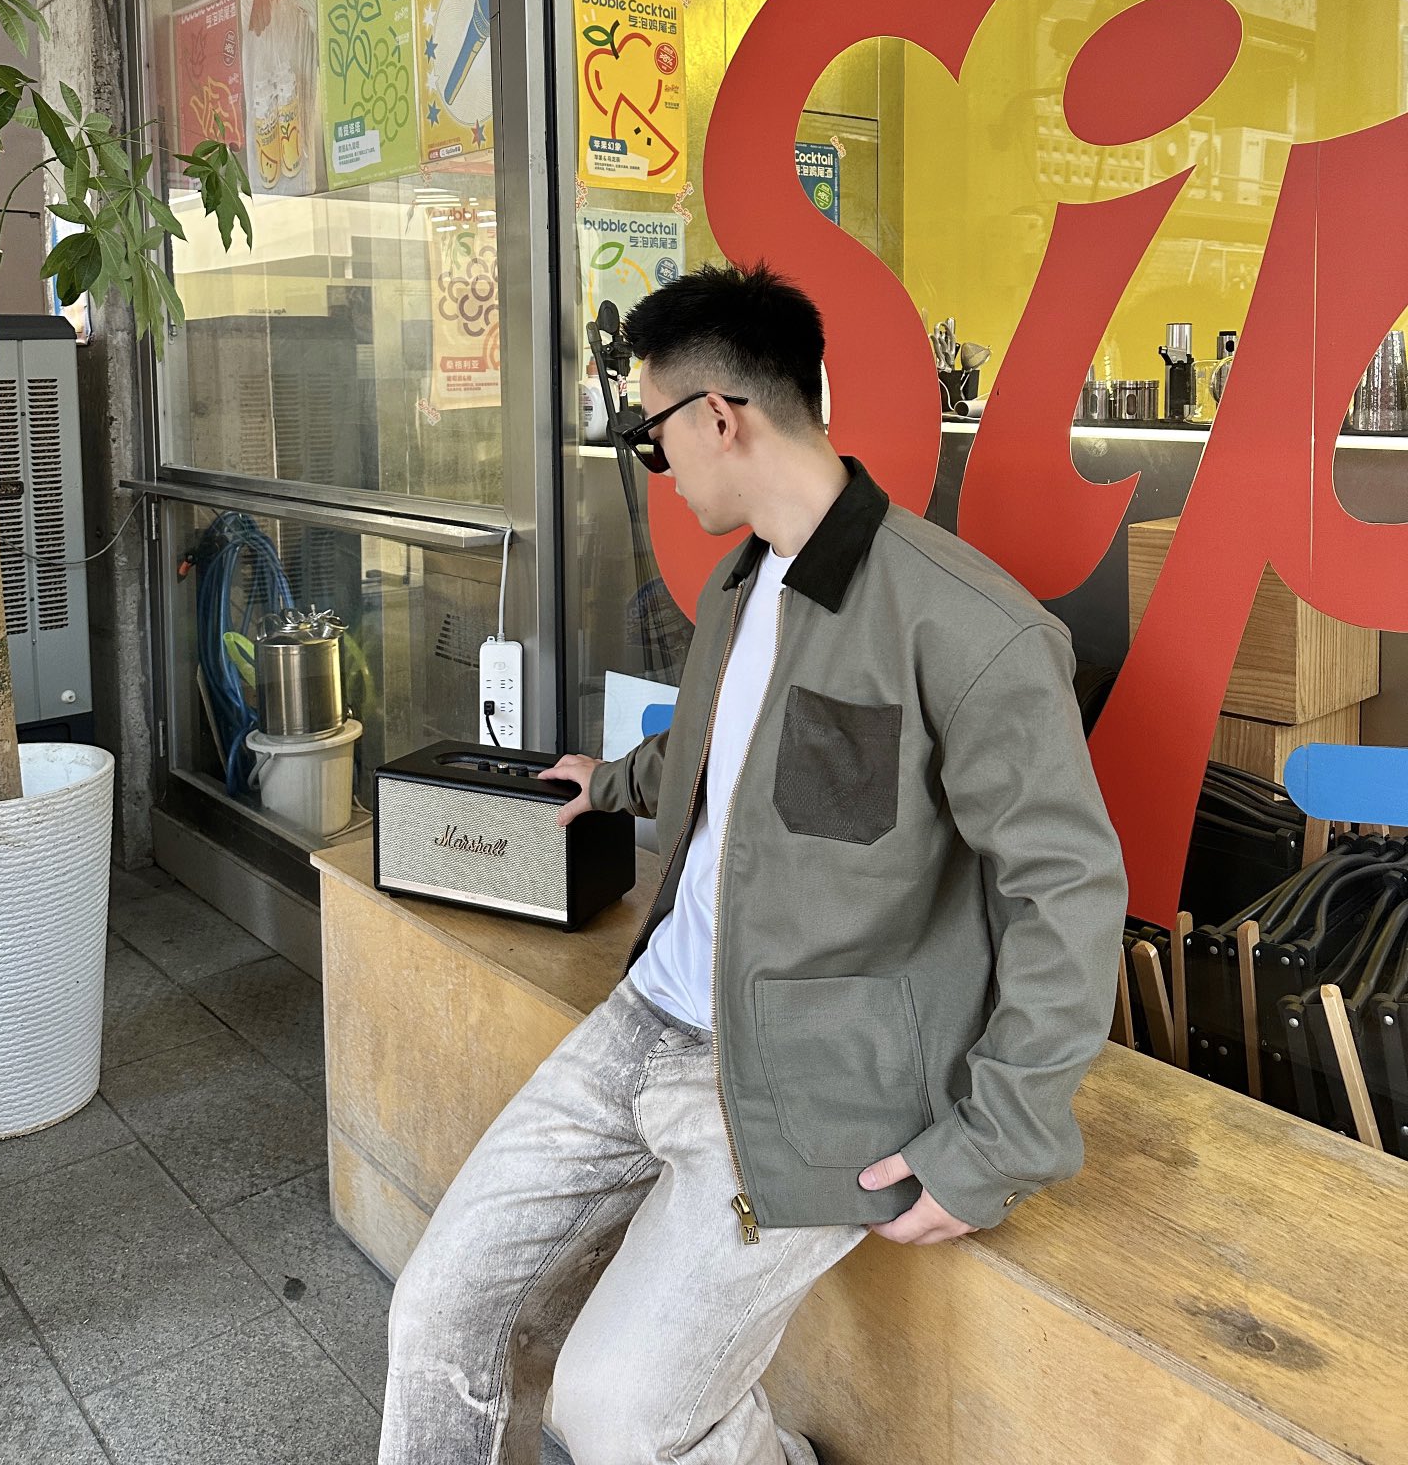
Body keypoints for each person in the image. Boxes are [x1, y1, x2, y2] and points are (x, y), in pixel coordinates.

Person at [380, 262, 1128, 1465]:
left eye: (650, 436)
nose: (654, 468)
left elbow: (1070, 892)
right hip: (647, 1019)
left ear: (718, 416)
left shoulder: (967, 627)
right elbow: (735, 751)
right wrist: (610, 781)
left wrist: (996, 1143)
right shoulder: (744, 582)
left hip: (810, 1076)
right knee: (434, 1312)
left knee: (613, 1414)